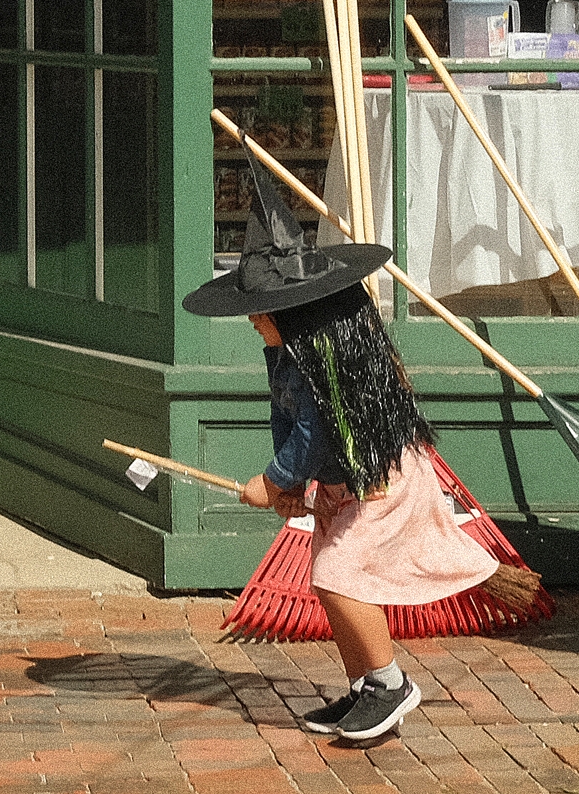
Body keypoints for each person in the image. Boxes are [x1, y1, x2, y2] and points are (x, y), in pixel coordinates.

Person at [185, 160, 529, 740]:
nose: (251, 321)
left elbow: (314, 430)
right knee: (328, 576)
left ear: (292, 314)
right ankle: (363, 690)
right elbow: (286, 416)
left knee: (340, 575)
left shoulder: (329, 365)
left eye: (259, 312)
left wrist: (271, 482)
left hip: (383, 480)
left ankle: (391, 683)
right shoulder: (288, 351)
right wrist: (297, 489)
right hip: (349, 482)